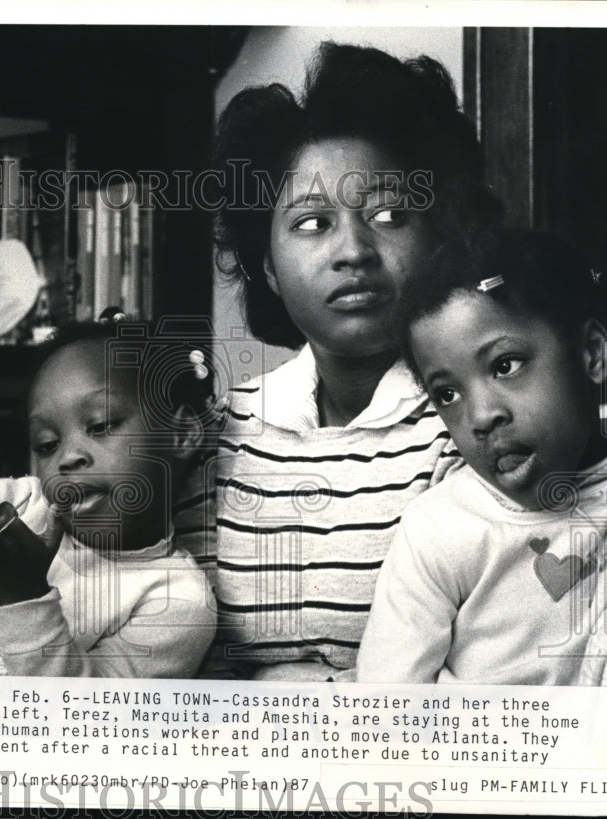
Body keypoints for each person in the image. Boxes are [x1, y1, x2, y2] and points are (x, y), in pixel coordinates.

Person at [177, 42, 501, 681]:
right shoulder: (211, 433)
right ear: (266, 265)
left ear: (440, 236)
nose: (353, 249)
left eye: (387, 214)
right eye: (311, 223)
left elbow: (482, 674)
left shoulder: (479, 425)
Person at [357, 229, 607, 685]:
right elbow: (384, 707)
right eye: (447, 393)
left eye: (505, 365)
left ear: (592, 353)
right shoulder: (440, 531)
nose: (481, 417)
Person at [0, 316, 218, 677]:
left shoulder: (178, 599)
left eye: (100, 425)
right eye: (46, 444)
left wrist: (25, 595)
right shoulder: (24, 508)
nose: (67, 457)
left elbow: (89, 719)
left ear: (181, 435)